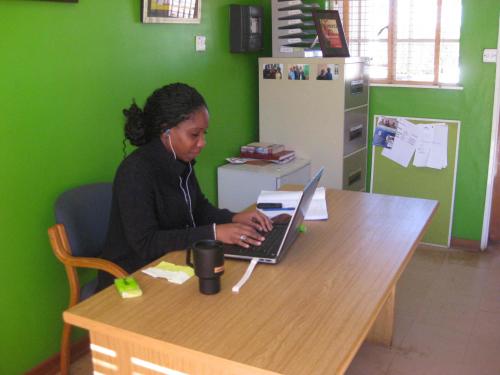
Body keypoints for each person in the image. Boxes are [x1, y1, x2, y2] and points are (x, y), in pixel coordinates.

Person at [98, 83, 273, 289]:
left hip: (172, 264)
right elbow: (146, 243)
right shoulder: (136, 172)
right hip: (133, 276)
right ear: (166, 131)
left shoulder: (181, 160)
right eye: (194, 134)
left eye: (204, 133)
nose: (202, 142)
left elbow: (198, 209)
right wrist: (214, 232)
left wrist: (233, 218)